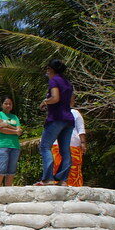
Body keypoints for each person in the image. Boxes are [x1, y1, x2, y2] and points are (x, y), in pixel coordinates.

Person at [37, 58, 74, 186]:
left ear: (51, 70)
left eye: (47, 69)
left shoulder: (54, 80)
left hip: (56, 118)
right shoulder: (68, 83)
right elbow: (71, 102)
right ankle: (63, 179)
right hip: (68, 119)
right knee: (65, 150)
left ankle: (47, 178)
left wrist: (45, 102)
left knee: (45, 146)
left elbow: (55, 98)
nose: (47, 72)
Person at [0, 96, 23, 187]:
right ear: (2, 104)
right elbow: (0, 128)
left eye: (10, 104)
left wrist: (7, 125)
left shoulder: (15, 117)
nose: (8, 105)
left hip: (15, 146)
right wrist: (15, 130)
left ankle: (7, 191)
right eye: (6, 103)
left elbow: (20, 131)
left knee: (11, 171)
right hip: (2, 145)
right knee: (1, 169)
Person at [52, 102, 86, 186]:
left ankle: (74, 186)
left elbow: (81, 129)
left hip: (73, 145)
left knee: (73, 167)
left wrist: (83, 142)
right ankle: (59, 185)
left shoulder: (75, 113)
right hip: (57, 144)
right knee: (58, 165)